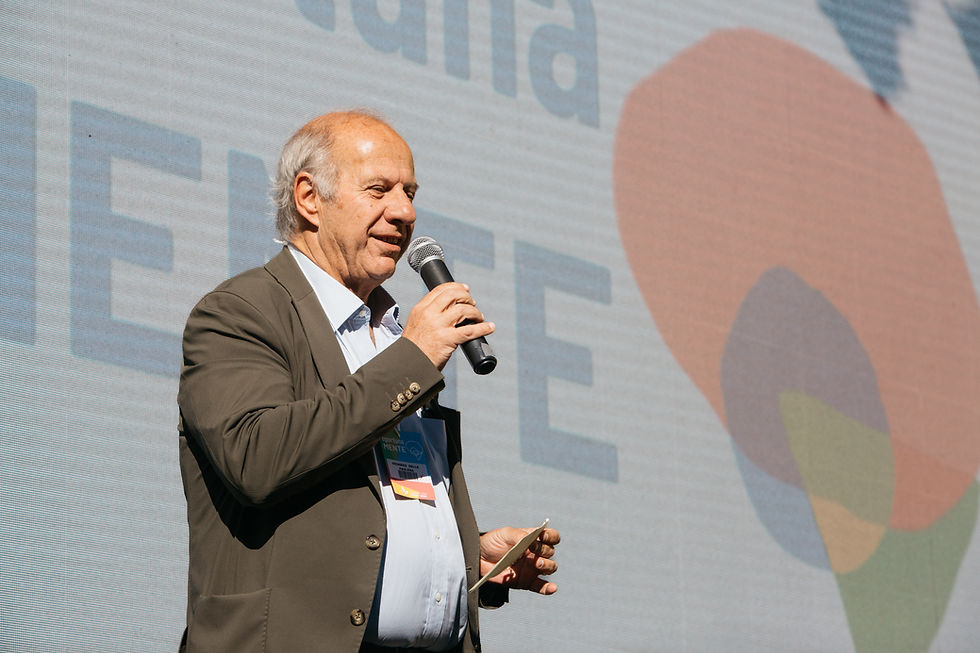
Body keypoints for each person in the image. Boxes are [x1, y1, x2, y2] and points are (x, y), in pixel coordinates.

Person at [177, 110, 560, 652]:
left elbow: (376, 500)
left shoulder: (394, 335)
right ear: (309, 198)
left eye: (409, 192)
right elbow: (256, 458)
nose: (404, 212)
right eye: (379, 189)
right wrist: (413, 358)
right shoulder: (241, 312)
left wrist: (463, 556)